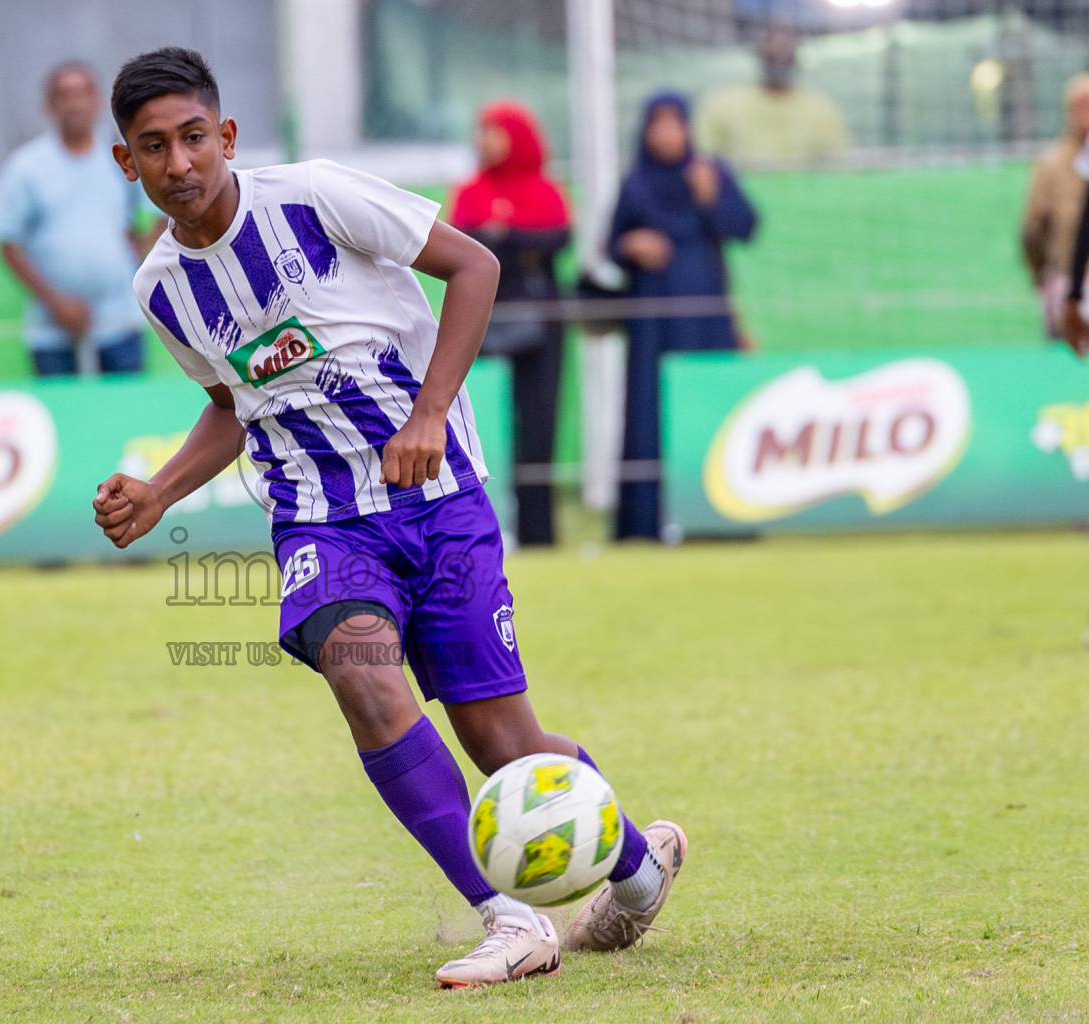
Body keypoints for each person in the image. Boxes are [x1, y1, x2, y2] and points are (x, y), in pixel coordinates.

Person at [92, 47, 687, 990]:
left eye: (194, 138)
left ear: (226, 136)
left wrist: (430, 410)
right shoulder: (160, 291)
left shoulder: (318, 196)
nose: (180, 165)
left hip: (438, 496)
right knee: (364, 679)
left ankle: (636, 868)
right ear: (127, 162)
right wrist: (160, 491)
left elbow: (477, 266)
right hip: (320, 522)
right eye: (154, 148)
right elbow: (230, 405)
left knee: (501, 742)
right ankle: (510, 920)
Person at [609, 92, 757, 541]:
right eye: (658, 124)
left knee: (712, 404)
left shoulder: (708, 174)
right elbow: (610, 244)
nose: (667, 133)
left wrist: (711, 198)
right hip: (652, 319)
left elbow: (744, 227)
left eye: (676, 123)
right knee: (649, 412)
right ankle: (645, 524)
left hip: (707, 314)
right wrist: (632, 246)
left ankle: (722, 519)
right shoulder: (635, 183)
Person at [450, 101, 571, 547]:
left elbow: (557, 238)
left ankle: (541, 533)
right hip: (482, 321)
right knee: (476, 424)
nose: (484, 140)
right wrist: (510, 240)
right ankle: (478, 526)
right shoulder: (471, 189)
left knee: (539, 425)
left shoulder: (546, 190)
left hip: (541, 322)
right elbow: (461, 239)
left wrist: (502, 234)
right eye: (482, 131)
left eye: (494, 131)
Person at [0, 62, 157, 377]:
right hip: (51, 328)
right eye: (64, 95)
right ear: (48, 106)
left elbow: (162, 212)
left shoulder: (121, 158)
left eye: (83, 93)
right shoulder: (27, 166)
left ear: (98, 102)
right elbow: (8, 243)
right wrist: (56, 302)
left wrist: (143, 250)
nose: (74, 103)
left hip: (120, 322)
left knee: (125, 415)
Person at [697, 22, 848, 167]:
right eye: (772, 54)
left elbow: (837, 163)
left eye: (785, 53)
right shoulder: (722, 104)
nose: (779, 53)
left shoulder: (821, 109)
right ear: (759, 55)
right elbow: (704, 161)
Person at [1021, 73, 1089, 341]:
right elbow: (1033, 228)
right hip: (1064, 279)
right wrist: (1044, 277)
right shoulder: (1051, 163)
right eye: (1080, 106)